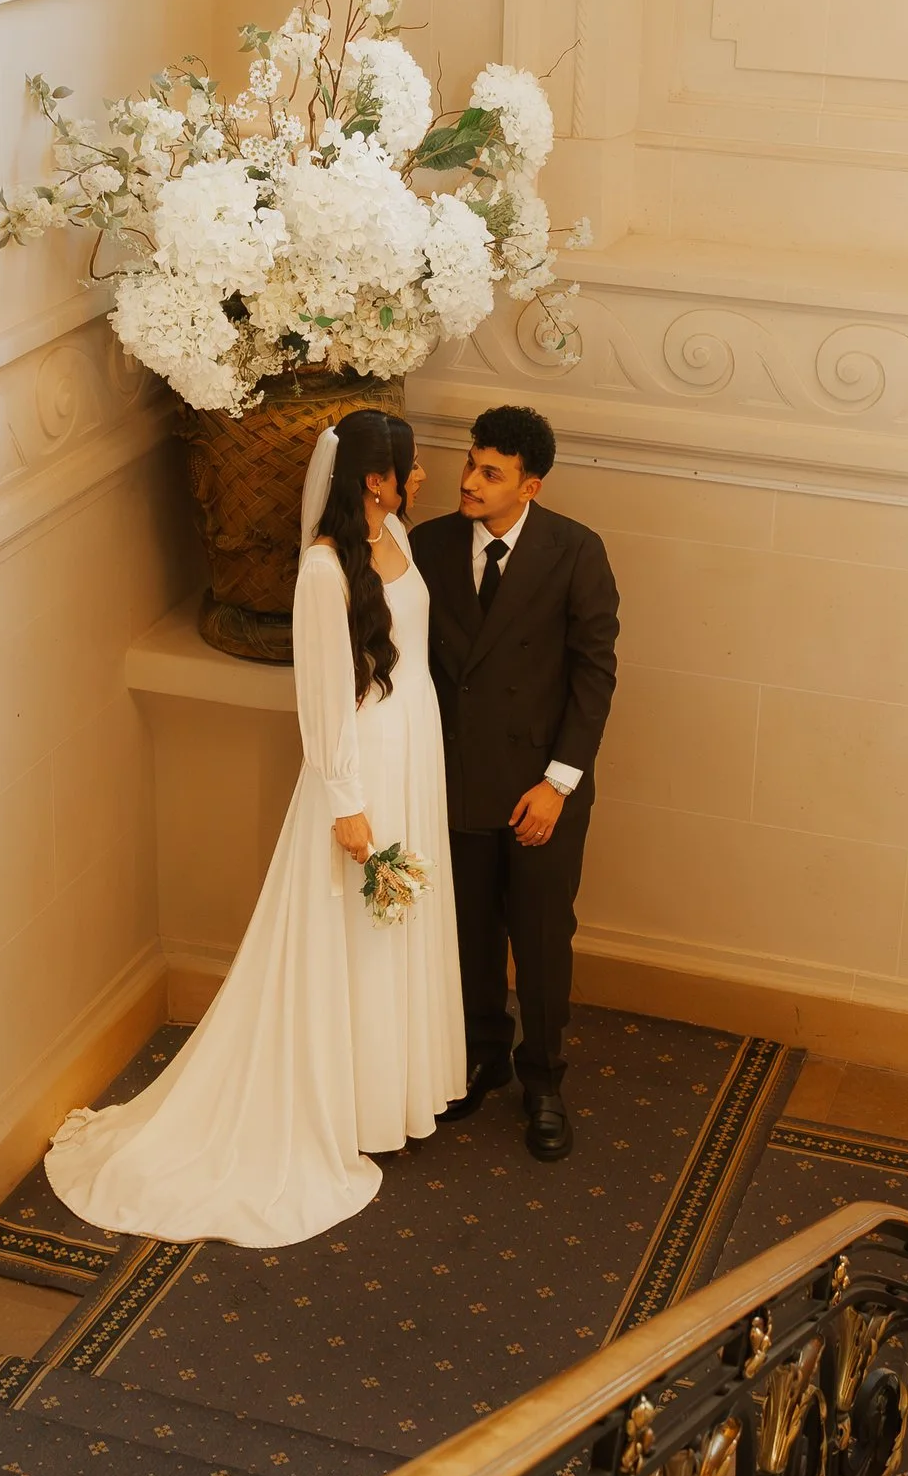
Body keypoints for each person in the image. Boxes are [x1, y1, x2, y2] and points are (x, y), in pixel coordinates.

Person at [46, 406, 466, 1243]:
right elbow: (318, 693)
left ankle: (391, 1091)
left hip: (416, 744)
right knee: (351, 925)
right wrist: (348, 804)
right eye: (411, 466)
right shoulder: (321, 573)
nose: (424, 476)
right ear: (376, 478)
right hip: (362, 762)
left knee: (400, 922)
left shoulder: (401, 541)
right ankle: (337, 1104)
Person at [413, 404, 619, 1162]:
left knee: (538, 940)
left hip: (541, 788)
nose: (469, 480)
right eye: (471, 464)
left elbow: (594, 677)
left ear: (530, 485)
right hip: (457, 779)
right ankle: (484, 1055)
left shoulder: (576, 552)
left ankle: (543, 1083)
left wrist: (557, 785)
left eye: (490, 473)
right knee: (467, 934)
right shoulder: (428, 545)